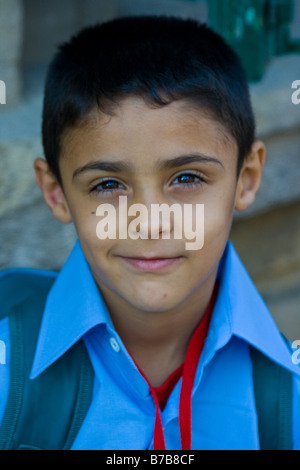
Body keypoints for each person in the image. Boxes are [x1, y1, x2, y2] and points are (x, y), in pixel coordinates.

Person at [0, 15, 299, 451]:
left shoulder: (287, 395)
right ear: (56, 192)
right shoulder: (10, 374)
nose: (150, 220)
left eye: (187, 178)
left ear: (246, 178)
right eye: (108, 185)